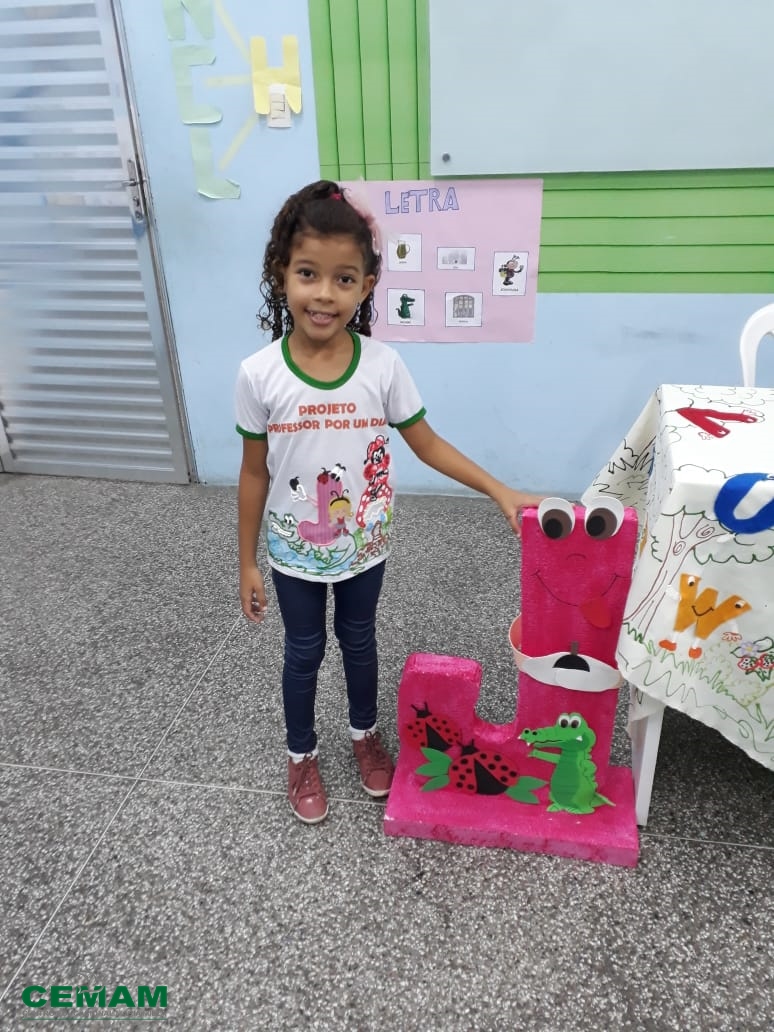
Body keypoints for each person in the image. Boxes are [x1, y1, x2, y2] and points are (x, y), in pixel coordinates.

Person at [235, 179, 543, 825]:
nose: (325, 293)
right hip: (294, 552)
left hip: (365, 544)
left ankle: (364, 734)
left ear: (367, 286)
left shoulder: (382, 366)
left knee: (359, 641)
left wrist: (500, 490)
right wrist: (247, 562)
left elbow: (426, 444)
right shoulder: (258, 374)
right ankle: (301, 755)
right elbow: (254, 473)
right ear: (282, 273)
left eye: (344, 279)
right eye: (308, 273)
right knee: (303, 652)